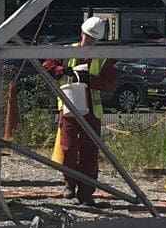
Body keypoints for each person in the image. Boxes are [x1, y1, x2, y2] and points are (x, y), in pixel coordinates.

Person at [40, 15, 117, 207]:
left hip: (91, 110)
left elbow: (111, 83)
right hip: (69, 107)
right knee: (68, 148)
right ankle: (70, 183)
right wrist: (63, 71)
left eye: (93, 40)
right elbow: (47, 66)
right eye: (88, 37)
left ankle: (86, 193)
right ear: (81, 33)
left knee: (89, 153)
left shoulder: (102, 58)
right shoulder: (67, 52)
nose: (89, 42)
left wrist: (91, 80)